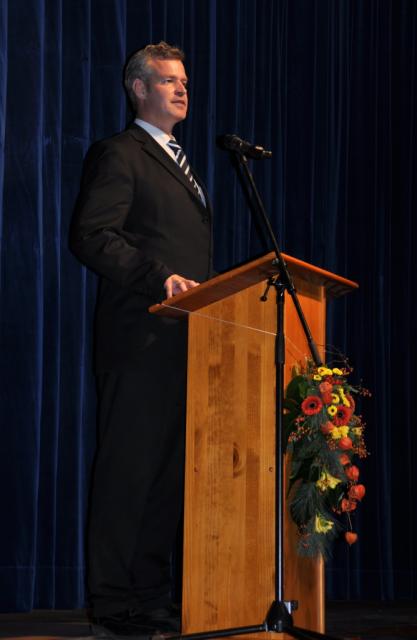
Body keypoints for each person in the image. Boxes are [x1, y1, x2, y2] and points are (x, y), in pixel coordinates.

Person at [69, 42, 213, 636]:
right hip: (139, 340)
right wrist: (160, 278)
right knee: (129, 472)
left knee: (167, 476)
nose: (182, 90)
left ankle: (151, 595)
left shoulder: (183, 162)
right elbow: (92, 235)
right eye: (169, 81)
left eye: (185, 82)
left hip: (186, 341)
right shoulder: (120, 153)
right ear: (138, 88)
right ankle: (112, 602)